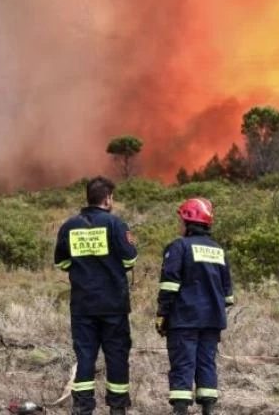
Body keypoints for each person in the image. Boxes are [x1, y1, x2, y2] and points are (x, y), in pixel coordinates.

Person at [54, 176, 138, 415]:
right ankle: (118, 408)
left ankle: (82, 407)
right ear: (107, 198)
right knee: (117, 355)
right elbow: (130, 259)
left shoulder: (69, 226)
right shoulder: (115, 224)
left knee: (85, 355)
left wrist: (83, 269)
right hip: (113, 305)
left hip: (83, 305)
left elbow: (61, 262)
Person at [155, 197, 234, 415]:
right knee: (206, 364)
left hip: (185, 320)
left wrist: (162, 315)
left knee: (183, 364)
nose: (179, 224)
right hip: (212, 321)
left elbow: (169, 286)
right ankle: (208, 409)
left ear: (189, 221)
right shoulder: (218, 251)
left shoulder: (179, 247)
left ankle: (180, 410)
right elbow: (228, 296)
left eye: (181, 219)